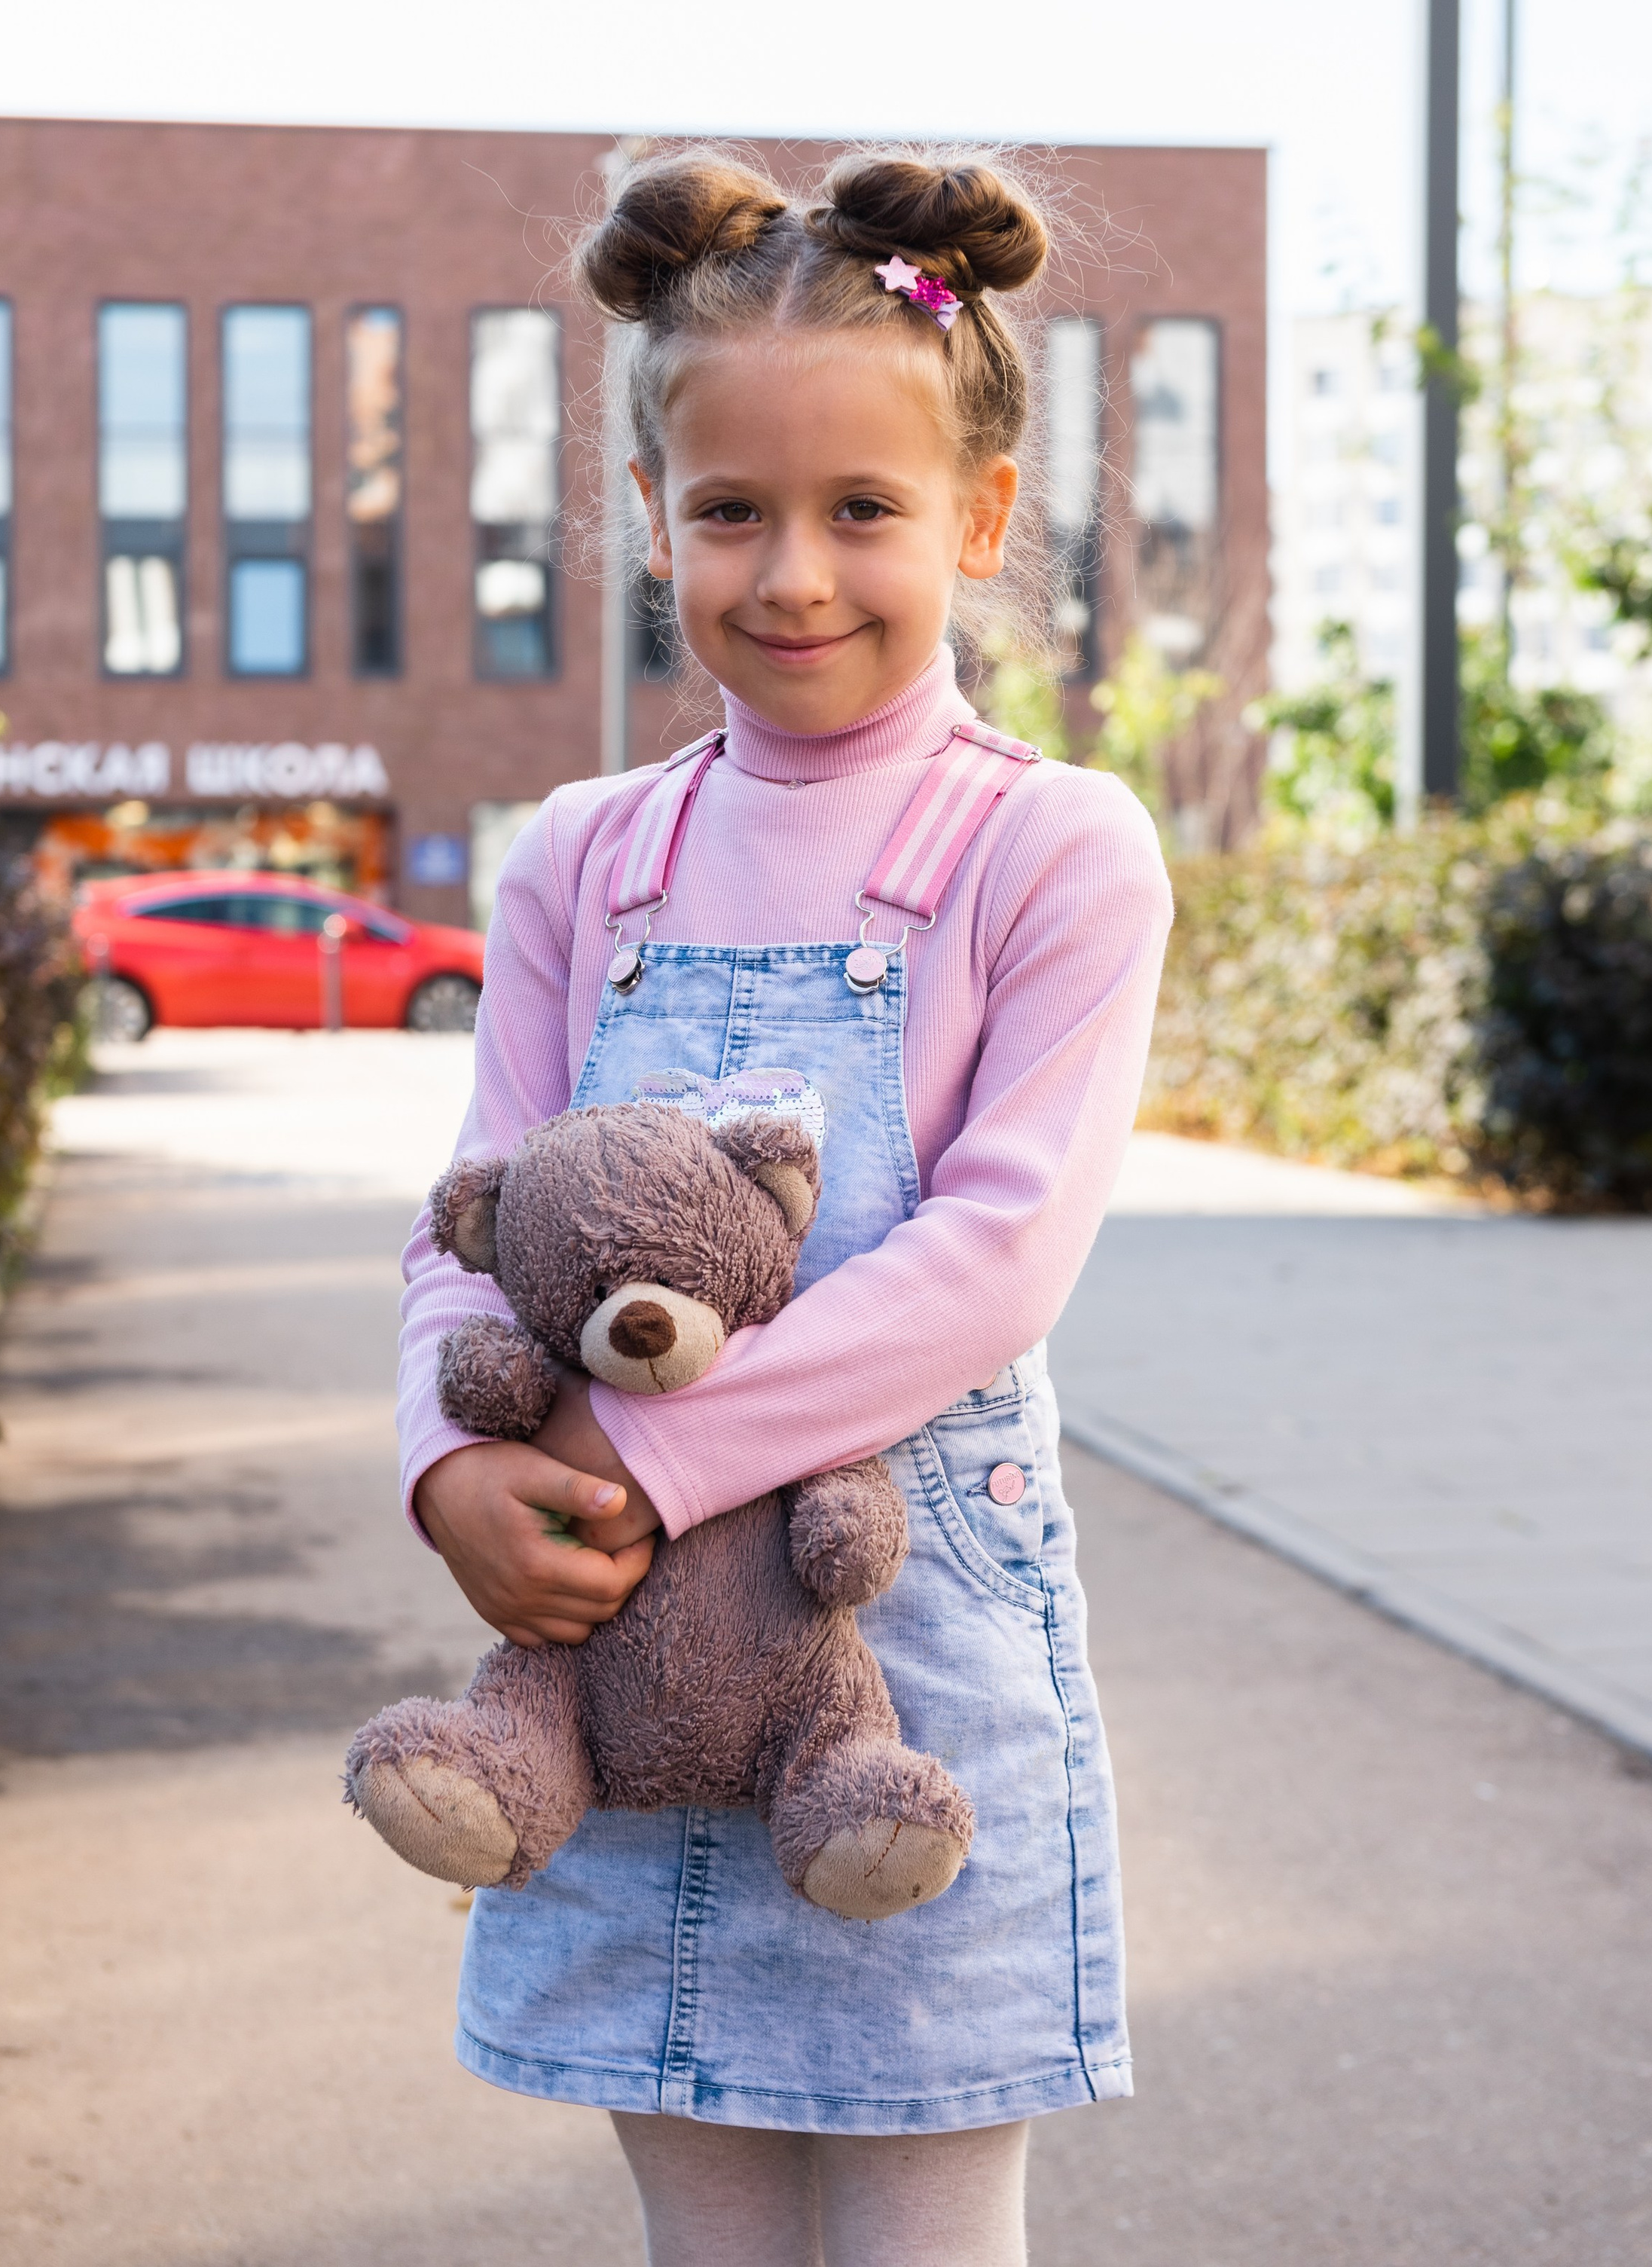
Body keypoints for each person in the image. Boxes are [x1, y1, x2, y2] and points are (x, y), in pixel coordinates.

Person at [396, 147, 1174, 2267]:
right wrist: (450, 1463)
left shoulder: (1056, 851)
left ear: (982, 522)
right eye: (731, 509)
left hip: (899, 1668)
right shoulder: (582, 857)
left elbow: (994, 1254)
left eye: (865, 509)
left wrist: (626, 1443)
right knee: (704, 2222)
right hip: (613, 1668)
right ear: (654, 521)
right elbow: (463, 1219)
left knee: (927, 2218)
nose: (794, 570)